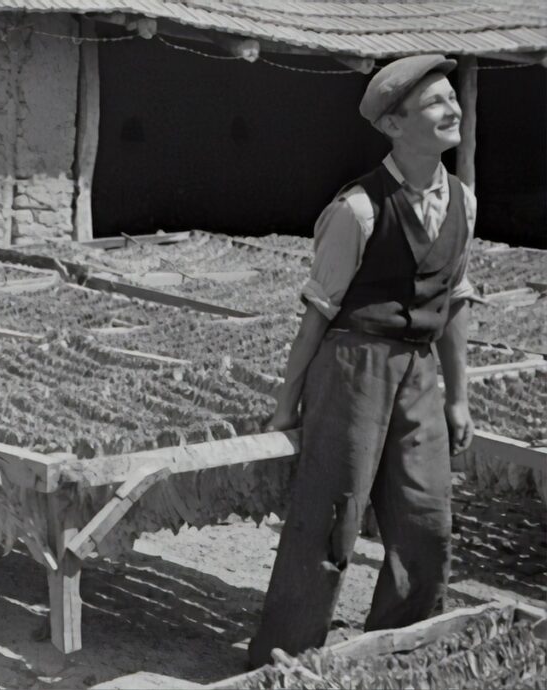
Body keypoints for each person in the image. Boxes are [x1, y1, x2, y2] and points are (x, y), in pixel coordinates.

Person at [248, 55, 478, 667]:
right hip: (354, 369)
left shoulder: (464, 201)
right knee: (330, 515)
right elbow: (318, 314)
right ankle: (287, 657)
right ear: (394, 126)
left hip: (419, 373)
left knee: (427, 519)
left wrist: (458, 395)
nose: (452, 108)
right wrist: (286, 402)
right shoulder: (358, 210)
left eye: (452, 97)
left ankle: (396, 650)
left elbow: (453, 302)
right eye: (434, 103)